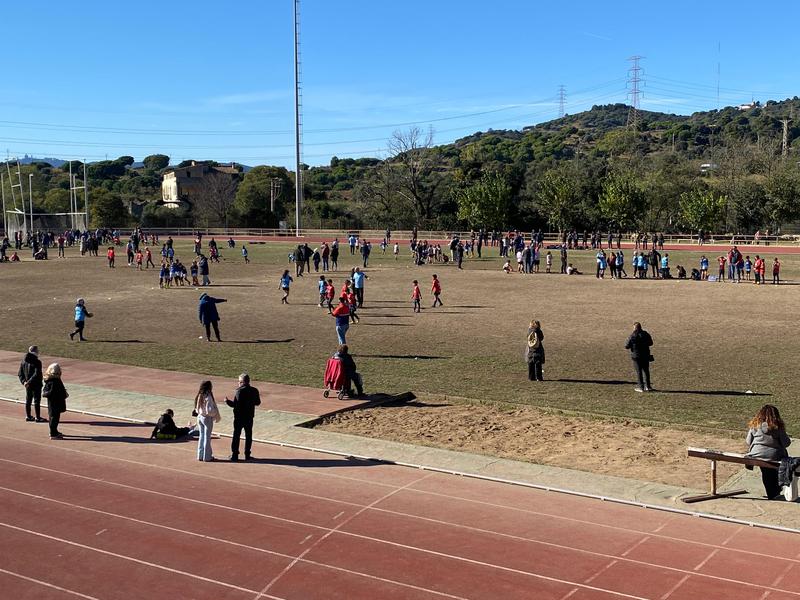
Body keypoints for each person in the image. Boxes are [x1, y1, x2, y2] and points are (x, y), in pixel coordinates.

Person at [746, 404, 791, 500]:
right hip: (774, 455)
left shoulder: (755, 425)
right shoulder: (778, 427)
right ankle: (774, 492)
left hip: (756, 455)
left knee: (766, 473)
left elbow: (748, 441)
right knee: (775, 470)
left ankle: (772, 492)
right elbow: (786, 443)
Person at [225, 373, 261, 461]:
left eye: (239, 381)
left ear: (242, 382)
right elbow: (258, 402)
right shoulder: (254, 390)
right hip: (249, 416)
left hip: (239, 417)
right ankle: (247, 454)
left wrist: (227, 401)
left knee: (236, 435)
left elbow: (235, 405)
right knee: (248, 435)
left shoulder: (239, 391)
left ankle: (235, 455)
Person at [194, 381, 220, 462]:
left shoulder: (200, 395)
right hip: (207, 419)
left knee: (201, 437)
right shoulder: (208, 397)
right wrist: (215, 412)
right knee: (207, 438)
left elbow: (196, 408)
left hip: (200, 417)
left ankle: (200, 455)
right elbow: (209, 410)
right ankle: (207, 457)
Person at [18, 345, 45, 422]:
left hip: (28, 385)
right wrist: (29, 382)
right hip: (36, 384)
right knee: (37, 401)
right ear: (36, 351)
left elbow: (20, 373)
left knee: (28, 400)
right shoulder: (37, 362)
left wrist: (24, 382)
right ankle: (38, 417)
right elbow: (36, 374)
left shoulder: (23, 361)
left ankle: (28, 416)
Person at [625, 322, 654, 392]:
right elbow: (651, 343)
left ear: (634, 328)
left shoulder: (632, 335)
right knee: (646, 371)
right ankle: (648, 386)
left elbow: (626, 346)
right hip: (645, 355)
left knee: (639, 372)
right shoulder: (645, 334)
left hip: (636, 356)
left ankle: (641, 387)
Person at [42, 363, 68, 439]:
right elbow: (52, 392)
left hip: (53, 402)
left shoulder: (50, 380)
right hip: (55, 402)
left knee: (54, 417)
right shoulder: (54, 381)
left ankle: (54, 431)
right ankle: (53, 433)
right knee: (54, 418)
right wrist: (63, 394)